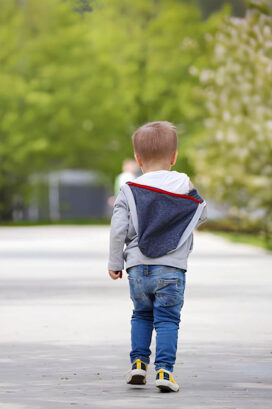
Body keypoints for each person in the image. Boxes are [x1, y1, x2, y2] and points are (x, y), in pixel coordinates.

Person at [107, 121, 207, 392]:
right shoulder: (183, 183)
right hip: (172, 268)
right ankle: (164, 371)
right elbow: (201, 212)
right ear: (174, 157)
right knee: (167, 320)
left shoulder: (129, 188)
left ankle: (138, 364)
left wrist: (115, 262)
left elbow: (118, 230)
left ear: (138, 159)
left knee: (141, 314)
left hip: (138, 267)